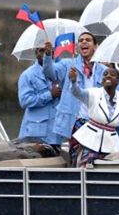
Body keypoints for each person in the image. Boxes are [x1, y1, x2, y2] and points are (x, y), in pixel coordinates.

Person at [43, 32, 107, 164]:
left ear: (95, 46)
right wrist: (48, 55)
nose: (84, 42)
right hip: (76, 121)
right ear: (77, 48)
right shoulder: (68, 64)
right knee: (77, 159)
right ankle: (79, 182)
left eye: (88, 40)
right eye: (81, 40)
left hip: (97, 122)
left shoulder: (104, 70)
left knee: (95, 159)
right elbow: (50, 72)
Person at [67, 66, 119, 168]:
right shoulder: (93, 93)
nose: (108, 75)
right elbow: (77, 93)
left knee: (108, 169)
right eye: (105, 74)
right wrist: (73, 82)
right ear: (102, 80)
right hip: (90, 139)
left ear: (118, 81)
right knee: (86, 167)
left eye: (112, 75)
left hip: (111, 143)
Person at [18, 47, 61, 147]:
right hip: (33, 135)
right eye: (42, 51)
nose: (46, 53)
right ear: (36, 53)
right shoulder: (27, 75)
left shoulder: (61, 73)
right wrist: (50, 95)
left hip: (55, 135)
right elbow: (24, 101)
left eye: (49, 51)